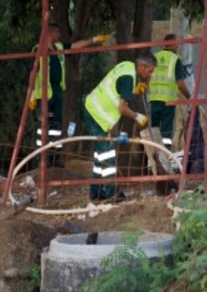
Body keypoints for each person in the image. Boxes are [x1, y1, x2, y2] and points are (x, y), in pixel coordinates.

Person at [30, 23, 109, 164]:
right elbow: (32, 74)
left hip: (57, 93)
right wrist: (31, 95)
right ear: (50, 33)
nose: (59, 36)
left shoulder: (59, 47)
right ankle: (42, 159)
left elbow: (74, 46)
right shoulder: (38, 50)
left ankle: (54, 159)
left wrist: (93, 40)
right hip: (44, 96)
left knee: (57, 127)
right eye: (57, 33)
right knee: (43, 128)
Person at [84, 53, 156, 201]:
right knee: (108, 154)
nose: (150, 75)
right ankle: (111, 193)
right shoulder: (129, 78)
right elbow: (122, 108)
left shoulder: (127, 66)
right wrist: (138, 116)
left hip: (94, 109)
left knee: (100, 156)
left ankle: (96, 191)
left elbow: (117, 88)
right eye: (149, 71)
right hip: (97, 114)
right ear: (142, 67)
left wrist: (134, 91)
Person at [149, 34, 192, 150]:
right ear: (172, 44)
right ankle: (165, 155)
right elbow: (180, 84)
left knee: (154, 130)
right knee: (166, 132)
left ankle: (154, 155)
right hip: (168, 101)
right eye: (176, 43)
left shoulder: (155, 57)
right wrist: (190, 98)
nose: (178, 46)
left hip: (154, 99)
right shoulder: (175, 60)